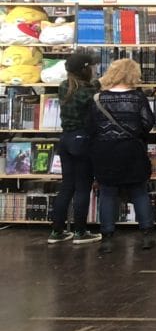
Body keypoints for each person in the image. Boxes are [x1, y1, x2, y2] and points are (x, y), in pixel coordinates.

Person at [88, 58, 156, 255]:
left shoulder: (98, 99)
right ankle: (146, 235)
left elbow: (90, 127)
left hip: (105, 151)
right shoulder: (137, 98)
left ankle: (107, 238)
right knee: (139, 191)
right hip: (132, 150)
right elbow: (148, 123)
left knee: (108, 193)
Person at [49, 50, 102, 245]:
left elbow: (87, 89)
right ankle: (80, 231)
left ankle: (56, 232)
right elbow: (93, 98)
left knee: (67, 186)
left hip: (65, 140)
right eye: (93, 67)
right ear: (86, 70)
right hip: (82, 140)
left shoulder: (64, 87)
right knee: (83, 187)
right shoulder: (89, 92)